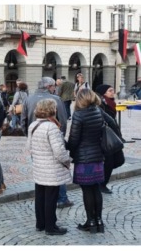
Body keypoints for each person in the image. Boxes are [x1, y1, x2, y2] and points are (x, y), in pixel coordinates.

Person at [21, 77, 73, 209]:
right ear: (49, 86)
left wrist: (30, 136)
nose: (55, 88)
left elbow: (23, 121)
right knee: (57, 170)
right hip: (53, 138)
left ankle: (44, 199)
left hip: (36, 141)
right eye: (54, 86)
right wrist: (60, 137)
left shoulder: (28, 99)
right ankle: (62, 198)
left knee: (41, 171)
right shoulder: (55, 99)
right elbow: (63, 120)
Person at [27, 99, 72, 236]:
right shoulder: (51, 127)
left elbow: (29, 147)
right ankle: (50, 227)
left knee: (40, 196)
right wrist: (67, 160)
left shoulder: (33, 125)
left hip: (40, 167)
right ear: (52, 110)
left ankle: (40, 224)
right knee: (51, 198)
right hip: (52, 169)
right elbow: (59, 151)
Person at [68, 89, 107, 234]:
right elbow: (111, 123)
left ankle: (90, 221)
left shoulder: (79, 115)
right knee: (96, 188)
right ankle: (99, 221)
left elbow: (74, 140)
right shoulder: (98, 111)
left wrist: (67, 147)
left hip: (84, 159)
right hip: (97, 156)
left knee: (87, 190)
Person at [95, 84, 125, 194]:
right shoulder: (101, 104)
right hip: (106, 137)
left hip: (114, 135)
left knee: (119, 160)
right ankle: (101, 184)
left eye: (112, 90)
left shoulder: (110, 103)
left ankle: (100, 180)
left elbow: (113, 121)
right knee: (109, 162)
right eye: (110, 91)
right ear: (103, 93)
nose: (113, 92)